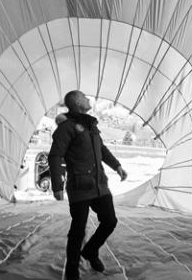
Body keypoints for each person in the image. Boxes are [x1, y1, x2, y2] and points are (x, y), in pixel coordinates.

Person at [49, 90, 128, 280]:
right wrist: (57, 186)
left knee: (110, 221)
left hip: (99, 184)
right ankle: (72, 271)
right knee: (78, 230)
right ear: (77, 102)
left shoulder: (91, 125)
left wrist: (117, 166)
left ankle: (91, 251)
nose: (88, 99)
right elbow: (55, 156)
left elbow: (101, 149)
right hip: (79, 186)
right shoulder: (66, 127)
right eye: (84, 97)